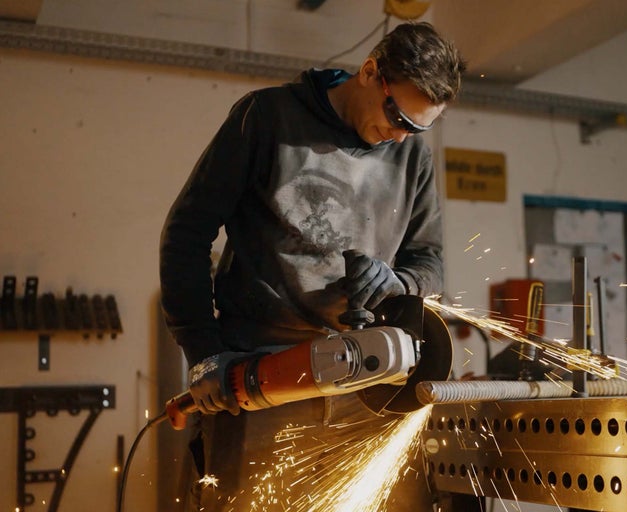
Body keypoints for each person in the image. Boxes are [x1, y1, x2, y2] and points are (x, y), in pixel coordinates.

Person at [160, 21, 465, 511]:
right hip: (262, 380)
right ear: (370, 72)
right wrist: (202, 350)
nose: (399, 136)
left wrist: (398, 283)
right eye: (398, 117)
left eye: (418, 128)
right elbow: (187, 233)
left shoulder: (412, 157)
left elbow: (429, 261)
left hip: (365, 386)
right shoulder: (268, 119)